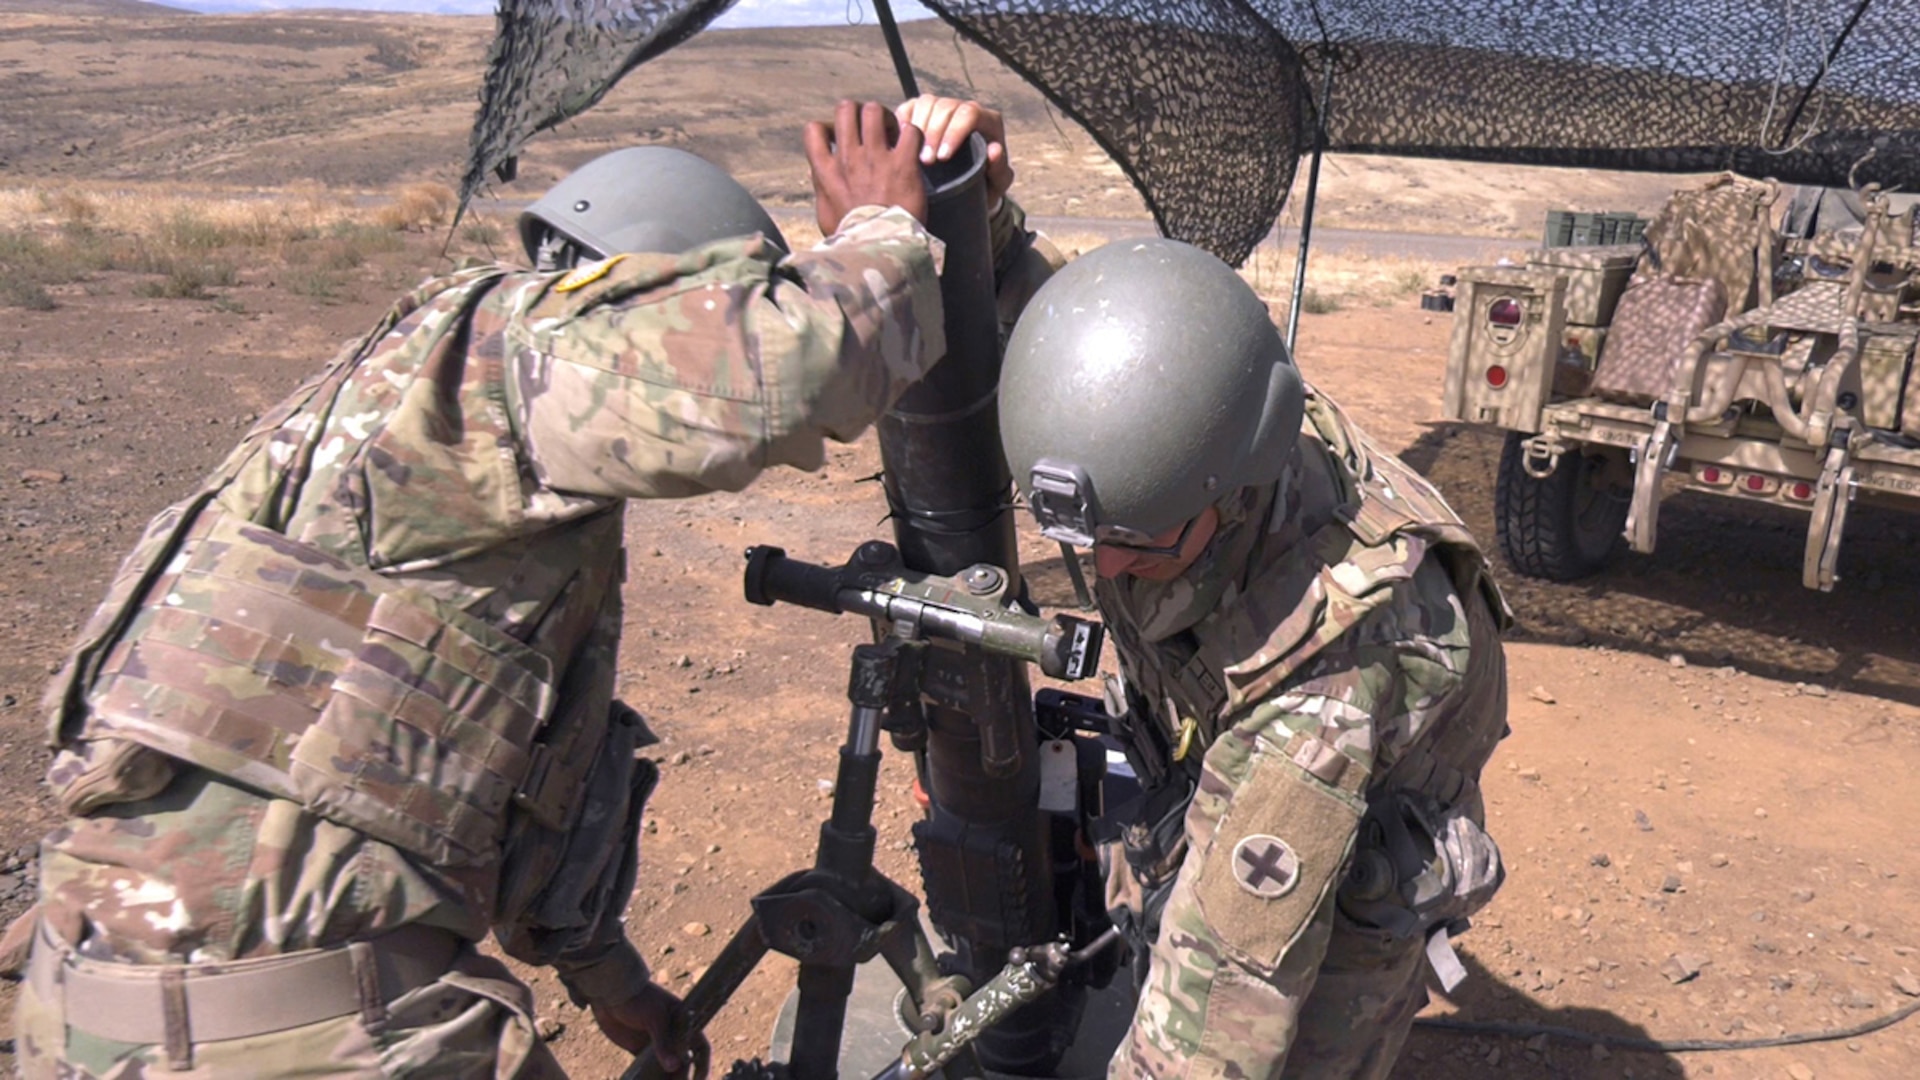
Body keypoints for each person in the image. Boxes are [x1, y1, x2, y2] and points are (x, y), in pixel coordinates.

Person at [12, 97, 1021, 1079]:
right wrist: (884, 227)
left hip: (102, 1009)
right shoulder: (501, 342)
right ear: (630, 290)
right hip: (304, 1032)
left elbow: (511, 780)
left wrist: (610, 981)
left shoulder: (440, 463)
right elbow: (802, 372)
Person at [997, 238, 1511, 1079]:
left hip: (1355, 851)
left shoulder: (1319, 679)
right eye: (1090, 536)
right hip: (1227, 752)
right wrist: (987, 226)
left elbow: (1213, 1021)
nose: (1108, 565)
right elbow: (1089, 342)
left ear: (1233, 490)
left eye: (1139, 539)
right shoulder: (1206, 394)